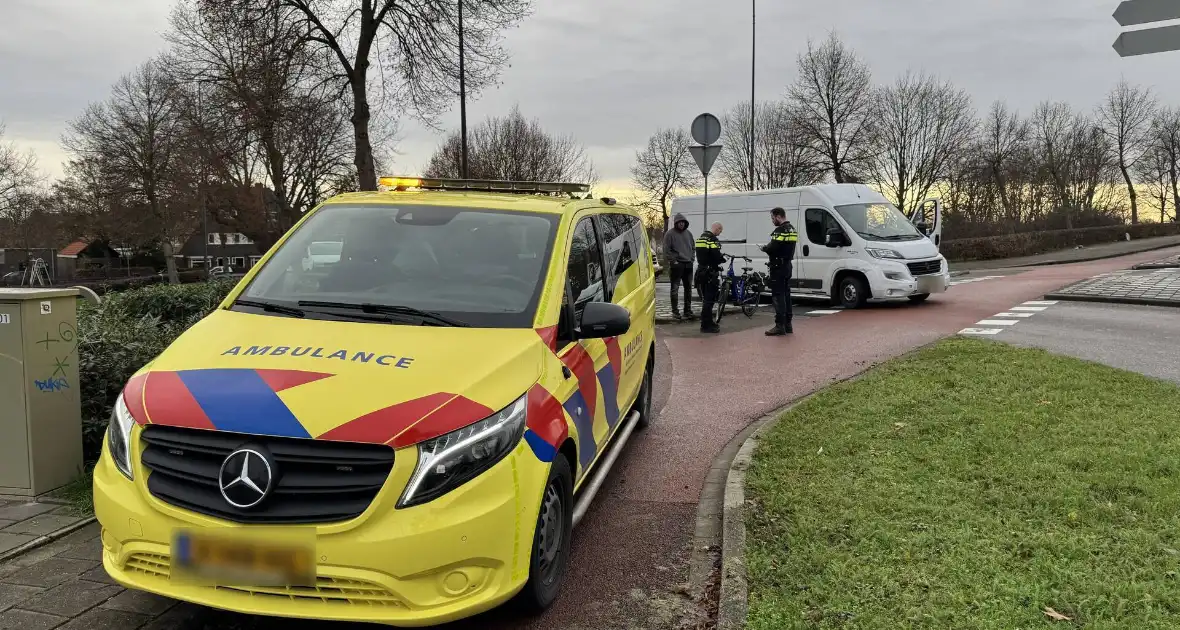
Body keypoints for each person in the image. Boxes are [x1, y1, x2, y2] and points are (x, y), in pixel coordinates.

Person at [761, 207, 798, 336]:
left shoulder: (779, 231)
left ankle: (779, 325)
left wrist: (765, 248)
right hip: (787, 266)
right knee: (787, 295)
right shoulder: (792, 229)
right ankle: (788, 324)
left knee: (778, 295)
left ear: (778, 216)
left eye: (772, 218)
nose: (772, 221)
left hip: (778, 267)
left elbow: (773, 247)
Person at [662, 213, 695, 321]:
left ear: (685, 223)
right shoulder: (669, 234)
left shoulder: (689, 234)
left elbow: (693, 247)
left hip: (688, 265)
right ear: (676, 223)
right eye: (679, 222)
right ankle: (675, 312)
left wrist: (692, 259)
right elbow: (666, 250)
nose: (681, 224)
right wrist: (673, 261)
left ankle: (687, 311)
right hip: (677, 265)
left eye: (683, 222)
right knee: (675, 289)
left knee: (688, 289)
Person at [694, 222, 725, 334]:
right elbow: (716, 256)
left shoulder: (700, 238)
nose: (720, 234)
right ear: (717, 228)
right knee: (710, 299)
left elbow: (701, 255)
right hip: (710, 272)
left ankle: (707, 322)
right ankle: (706, 325)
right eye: (720, 231)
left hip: (701, 271)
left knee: (705, 299)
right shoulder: (713, 240)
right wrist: (722, 259)